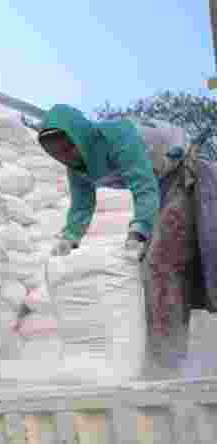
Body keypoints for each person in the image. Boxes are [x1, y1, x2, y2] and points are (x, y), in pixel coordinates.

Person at [37, 104, 215, 373]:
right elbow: (82, 205)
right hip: (159, 184)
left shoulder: (117, 137)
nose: (65, 157)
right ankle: (160, 354)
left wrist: (139, 231)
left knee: (159, 261)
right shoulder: (77, 164)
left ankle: (165, 363)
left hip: (181, 174)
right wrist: (69, 238)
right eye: (57, 154)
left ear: (80, 135)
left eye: (67, 147)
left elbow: (143, 186)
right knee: (146, 269)